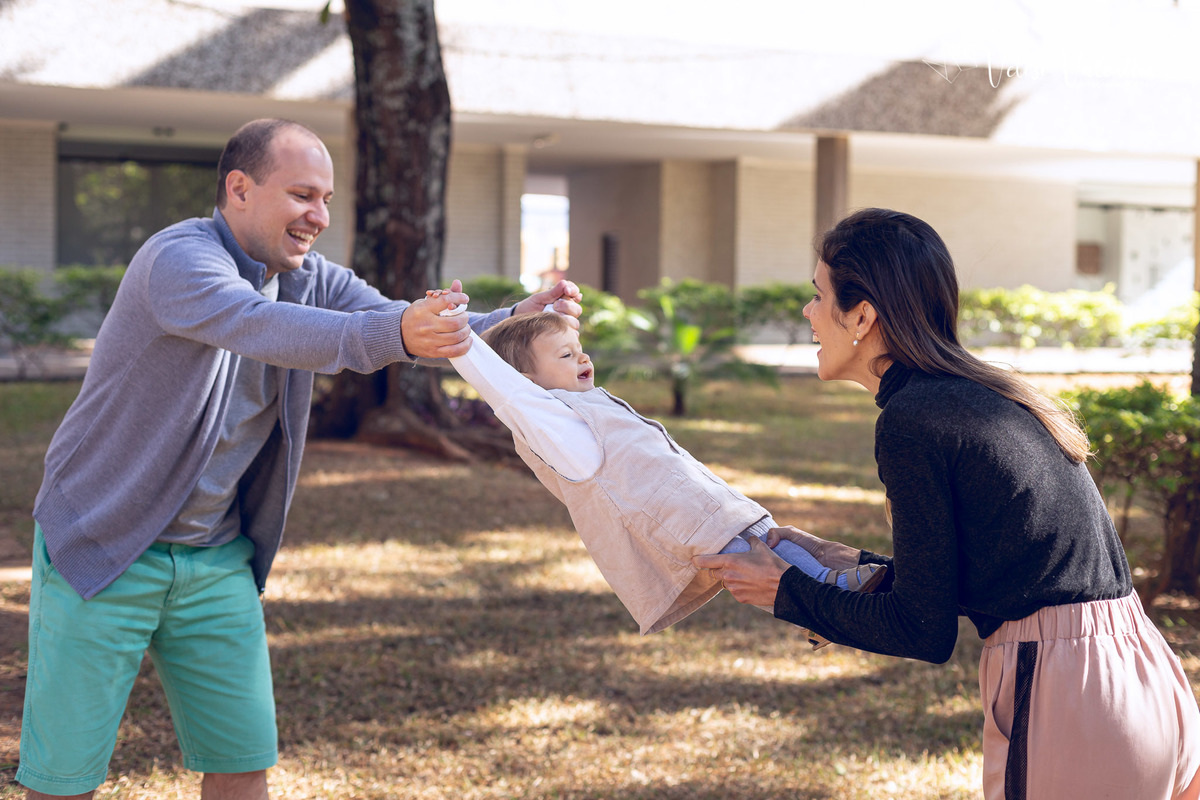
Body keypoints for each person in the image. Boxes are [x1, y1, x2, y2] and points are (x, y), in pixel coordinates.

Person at [18, 118, 581, 800]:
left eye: (327, 199)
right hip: (104, 543)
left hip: (215, 556)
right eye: (302, 195)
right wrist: (396, 331)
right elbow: (260, 326)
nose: (318, 216)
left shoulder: (309, 277)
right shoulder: (180, 260)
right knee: (66, 778)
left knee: (241, 762)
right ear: (239, 188)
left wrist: (518, 319)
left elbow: (400, 319)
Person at [694, 207, 1200, 799]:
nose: (807, 313)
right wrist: (837, 559)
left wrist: (786, 592)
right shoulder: (981, 394)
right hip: (1143, 681)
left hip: (1069, 698)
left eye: (817, 294)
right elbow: (991, 578)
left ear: (861, 314)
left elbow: (922, 631)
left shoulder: (911, 420)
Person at [441, 306, 886, 635]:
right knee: (755, 561)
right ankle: (828, 593)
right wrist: (457, 336)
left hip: (706, 507)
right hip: (680, 526)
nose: (581, 359)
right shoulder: (556, 430)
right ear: (528, 382)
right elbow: (505, 393)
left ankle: (835, 588)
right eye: (564, 355)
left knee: (773, 541)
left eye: (579, 350)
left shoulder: (583, 404)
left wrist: (554, 309)